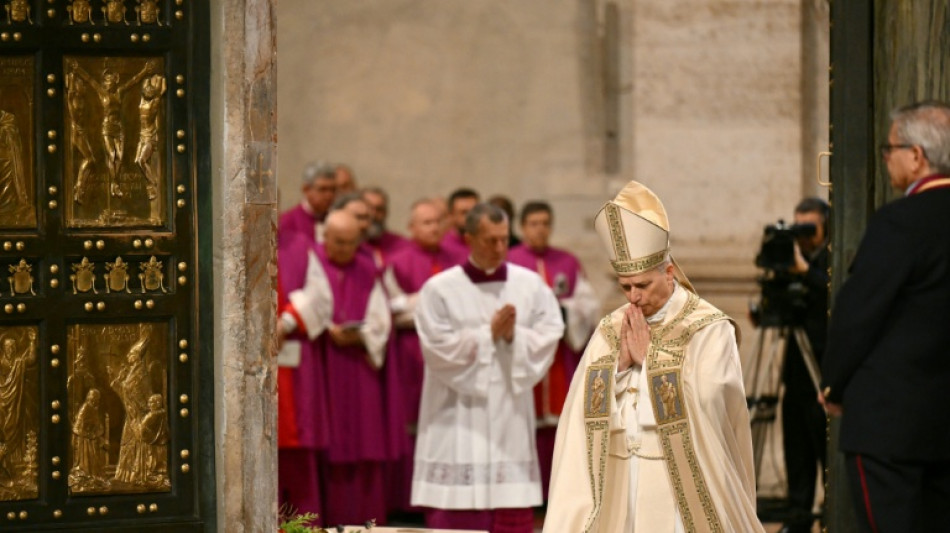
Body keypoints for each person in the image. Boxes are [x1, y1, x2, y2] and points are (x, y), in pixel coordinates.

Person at [545, 181, 763, 532]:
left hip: (677, 480)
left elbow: (712, 401)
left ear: (669, 272)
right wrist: (617, 369)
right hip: (620, 481)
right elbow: (578, 413)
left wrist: (652, 361)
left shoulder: (707, 327)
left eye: (642, 286)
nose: (632, 297)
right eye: (624, 286)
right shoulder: (611, 327)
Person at [819, 101, 950, 532]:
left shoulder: (901, 222)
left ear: (916, 156)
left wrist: (834, 383)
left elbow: (860, 313)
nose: (885, 157)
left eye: (889, 147)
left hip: (891, 428)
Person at [412, 203, 565, 533]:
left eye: (504, 239)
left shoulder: (530, 285)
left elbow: (551, 331)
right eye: (489, 240)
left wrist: (514, 337)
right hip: (455, 415)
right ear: (468, 238)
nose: (499, 248)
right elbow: (436, 349)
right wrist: (487, 335)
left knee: (508, 509)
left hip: (508, 411)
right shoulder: (439, 289)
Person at [279, 210, 394, 526]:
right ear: (324, 238)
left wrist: (360, 335)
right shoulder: (308, 258)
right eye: (339, 242)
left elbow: (380, 320)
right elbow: (312, 305)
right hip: (321, 363)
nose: (345, 249)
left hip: (356, 365)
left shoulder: (367, 269)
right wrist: (326, 329)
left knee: (360, 441)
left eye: (351, 242)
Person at [507, 200, 600, 500]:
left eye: (546, 223)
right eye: (534, 224)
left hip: (560, 356)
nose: (541, 229)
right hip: (524, 355)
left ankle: (558, 495)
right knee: (525, 425)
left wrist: (563, 312)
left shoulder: (568, 262)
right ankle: (526, 495)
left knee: (560, 425)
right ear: (522, 227)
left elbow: (588, 306)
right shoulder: (510, 262)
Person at [382, 198, 466, 513]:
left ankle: (449, 495)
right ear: (411, 227)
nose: (433, 228)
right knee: (415, 422)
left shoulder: (459, 260)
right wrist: (432, 305)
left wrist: (419, 304)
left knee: (451, 421)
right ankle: (411, 502)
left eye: (437, 222)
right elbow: (391, 308)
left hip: (453, 353)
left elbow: (466, 304)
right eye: (425, 222)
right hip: (411, 354)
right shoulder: (398, 260)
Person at [778, 197, 829, 533]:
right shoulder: (789, 261)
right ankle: (797, 520)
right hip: (795, 375)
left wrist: (805, 272)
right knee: (796, 458)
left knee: (824, 454)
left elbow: (833, 293)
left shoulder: (833, 257)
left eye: (810, 228)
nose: (804, 236)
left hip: (822, 375)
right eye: (799, 228)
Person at [278, 161, 337, 245]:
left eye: (333, 189)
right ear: (306, 189)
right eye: (323, 189)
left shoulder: (338, 219)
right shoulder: (287, 221)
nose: (329, 195)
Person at [362, 186, 409, 268]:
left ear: (386, 212)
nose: (373, 214)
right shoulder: (348, 245)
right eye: (369, 208)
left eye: (379, 209)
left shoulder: (401, 245)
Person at [439, 187, 479, 257]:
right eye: (464, 212)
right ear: (451, 215)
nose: (470, 217)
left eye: (474, 211)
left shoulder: (490, 244)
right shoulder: (441, 246)